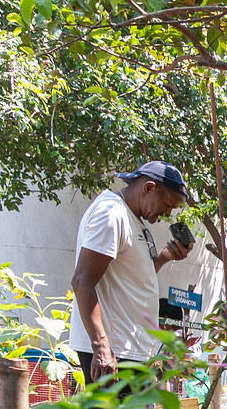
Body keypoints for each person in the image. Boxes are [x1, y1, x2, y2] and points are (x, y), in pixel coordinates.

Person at [69, 161, 194, 380]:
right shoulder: (112, 214)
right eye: (166, 206)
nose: (166, 214)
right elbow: (82, 281)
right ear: (149, 188)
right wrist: (101, 347)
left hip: (130, 352)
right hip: (114, 354)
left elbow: (131, 279)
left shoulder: (130, 217)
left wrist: (165, 257)